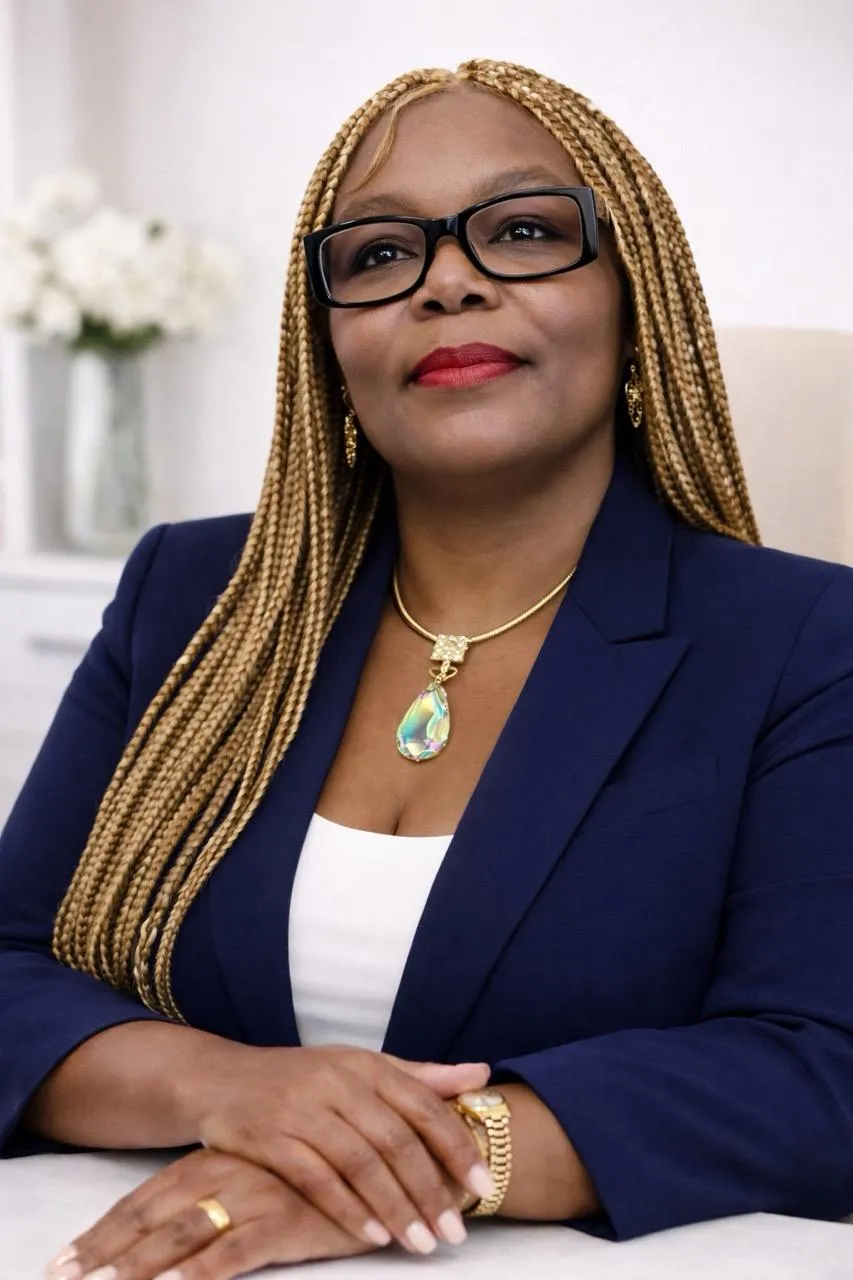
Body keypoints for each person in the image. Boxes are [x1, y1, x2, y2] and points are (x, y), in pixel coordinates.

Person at [1, 57, 852, 1280]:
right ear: (327, 340)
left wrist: (428, 1159)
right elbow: (10, 964)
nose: (447, 281)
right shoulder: (189, 595)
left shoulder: (806, 639)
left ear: (637, 298)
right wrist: (233, 1088)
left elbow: (819, 1065)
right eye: (381, 253)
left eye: (523, 232)